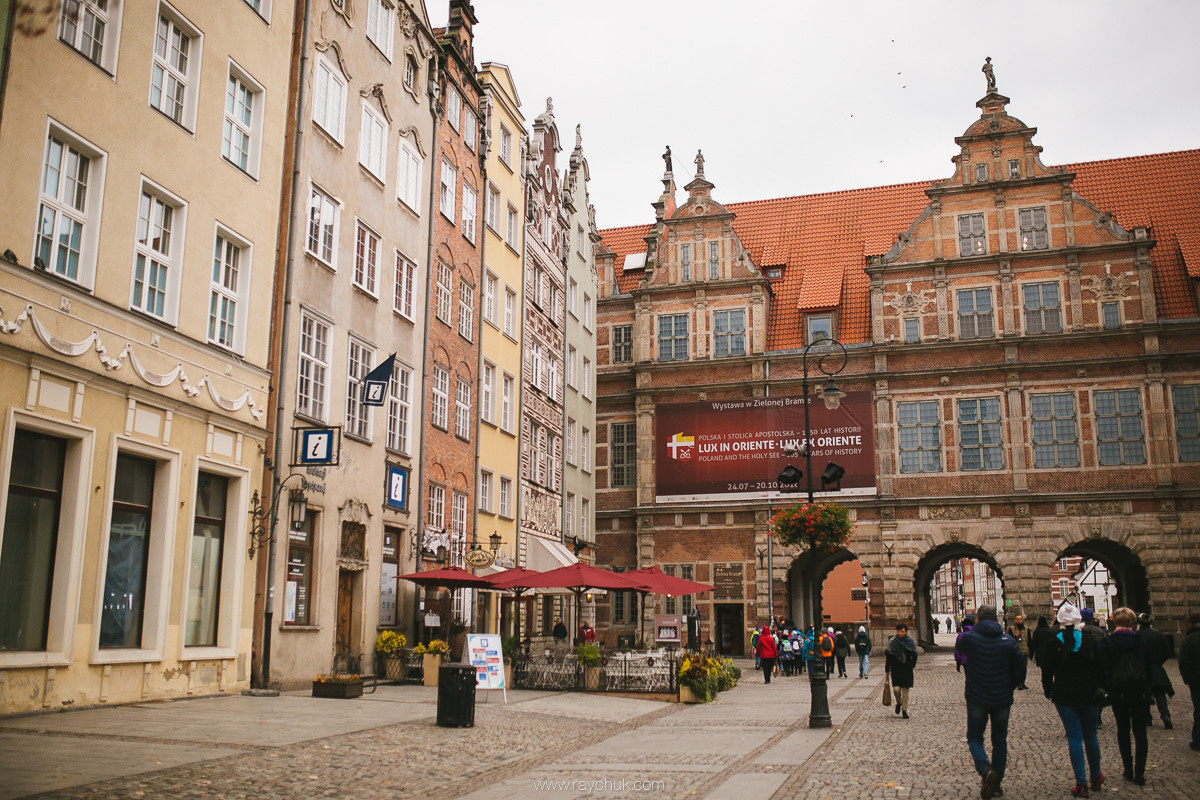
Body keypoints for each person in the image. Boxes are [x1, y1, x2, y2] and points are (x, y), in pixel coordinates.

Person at [956, 604, 1026, 800]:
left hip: (977, 697)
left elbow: (960, 647)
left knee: (975, 738)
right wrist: (1009, 686)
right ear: (997, 620)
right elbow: (1020, 670)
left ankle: (985, 770)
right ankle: (995, 784)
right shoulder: (1008, 641)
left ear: (977, 619)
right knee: (999, 741)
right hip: (1002, 698)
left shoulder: (969, 638)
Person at [1041, 602, 1105, 798]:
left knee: (1075, 738)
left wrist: (1048, 690)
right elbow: (1101, 667)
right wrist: (1101, 687)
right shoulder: (1089, 640)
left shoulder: (1056, 641)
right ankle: (1096, 777)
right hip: (1089, 693)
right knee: (1091, 736)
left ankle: (1081, 783)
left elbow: (1046, 669)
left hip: (1064, 694)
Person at [1100, 607, 1150, 785]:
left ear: (1115, 621)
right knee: (1140, 732)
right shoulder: (1141, 641)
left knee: (1123, 730)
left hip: (1118, 691)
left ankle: (1128, 769)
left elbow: (1103, 667)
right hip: (1140, 690)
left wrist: (1108, 687)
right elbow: (1148, 665)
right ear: (1132, 622)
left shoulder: (1108, 642)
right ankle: (1139, 773)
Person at [1137, 612, 1175, 729]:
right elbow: (1167, 652)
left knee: (1144, 695)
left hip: (1142, 669)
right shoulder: (1158, 635)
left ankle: (1147, 718)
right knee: (1160, 694)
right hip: (1157, 668)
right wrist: (1158, 663)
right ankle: (1165, 715)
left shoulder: (1137, 636)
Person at [885, 623, 919, 719]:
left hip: (907, 668)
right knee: (896, 689)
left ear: (905, 632)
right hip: (896, 668)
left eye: (902, 631)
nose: (900, 633)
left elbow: (915, 655)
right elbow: (888, 657)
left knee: (905, 690)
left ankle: (904, 710)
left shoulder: (909, 642)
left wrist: (911, 665)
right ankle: (899, 703)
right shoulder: (892, 642)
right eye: (899, 631)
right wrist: (887, 670)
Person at [1177, 612, 1200, 751]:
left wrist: (1188, 679)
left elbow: (1183, 662)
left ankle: (1197, 740)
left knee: (1198, 710)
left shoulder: (1189, 640)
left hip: (1197, 681)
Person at [1007, 614, 1030, 690]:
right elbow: (1009, 640)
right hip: (1015, 652)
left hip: (1024, 652)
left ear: (1022, 620)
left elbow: (1029, 640)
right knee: (1016, 668)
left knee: (1024, 669)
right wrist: (1015, 637)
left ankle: (1022, 683)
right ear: (1015, 620)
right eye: (1017, 619)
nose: (1019, 621)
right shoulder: (1011, 629)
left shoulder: (1026, 629)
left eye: (1020, 619)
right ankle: (1017, 683)